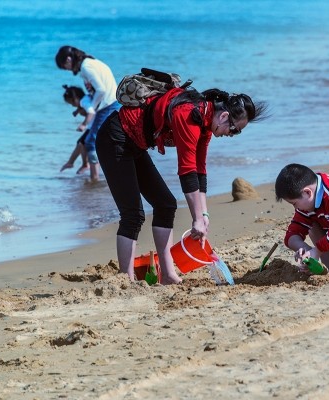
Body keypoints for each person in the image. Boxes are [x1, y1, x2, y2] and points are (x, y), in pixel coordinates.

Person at [95, 85, 268, 284]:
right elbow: (186, 171)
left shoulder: (205, 123)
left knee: (166, 204)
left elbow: (199, 171)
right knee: (133, 215)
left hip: (136, 144)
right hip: (114, 138)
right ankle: (125, 280)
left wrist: (203, 215)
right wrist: (195, 220)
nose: (232, 134)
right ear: (223, 116)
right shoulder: (188, 115)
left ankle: (168, 275)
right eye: (235, 130)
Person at [55, 46, 120, 182]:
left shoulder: (86, 67)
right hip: (111, 102)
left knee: (90, 142)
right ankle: (111, 174)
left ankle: (95, 179)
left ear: (68, 59)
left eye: (64, 66)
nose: (67, 70)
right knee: (103, 141)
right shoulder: (90, 62)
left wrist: (92, 107)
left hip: (108, 105)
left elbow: (101, 90)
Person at [60, 84, 93, 174]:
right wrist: (77, 111)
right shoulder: (85, 99)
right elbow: (84, 105)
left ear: (76, 98)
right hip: (95, 125)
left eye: (72, 103)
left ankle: (85, 164)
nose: (72, 106)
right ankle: (71, 162)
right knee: (80, 142)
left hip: (95, 125)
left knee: (82, 143)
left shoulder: (84, 102)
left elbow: (91, 112)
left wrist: (83, 124)